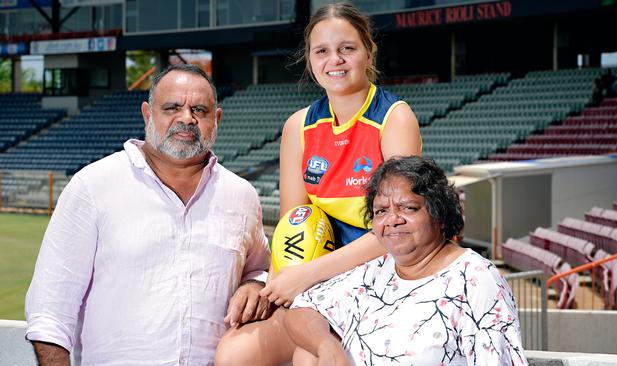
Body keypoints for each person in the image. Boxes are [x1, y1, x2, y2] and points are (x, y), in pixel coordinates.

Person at [215, 3, 421, 364]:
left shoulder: (394, 118)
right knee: (235, 352)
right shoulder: (299, 126)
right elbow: (293, 223)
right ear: (309, 60)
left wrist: (305, 276)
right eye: (321, 51)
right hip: (318, 277)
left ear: (368, 52)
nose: (334, 60)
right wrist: (276, 285)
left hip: (385, 273)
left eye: (347, 48)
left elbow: (397, 230)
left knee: (308, 358)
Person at [24, 64, 271, 365]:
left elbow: (259, 268)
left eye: (199, 110)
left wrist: (254, 285)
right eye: (172, 107)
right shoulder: (93, 186)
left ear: (216, 120)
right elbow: (50, 314)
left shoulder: (240, 195)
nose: (186, 119)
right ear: (147, 114)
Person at [286, 156, 528, 365]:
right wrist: (326, 346)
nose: (392, 219)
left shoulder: (475, 279)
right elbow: (302, 309)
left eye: (408, 208)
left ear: (440, 214)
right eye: (381, 211)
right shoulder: (375, 271)